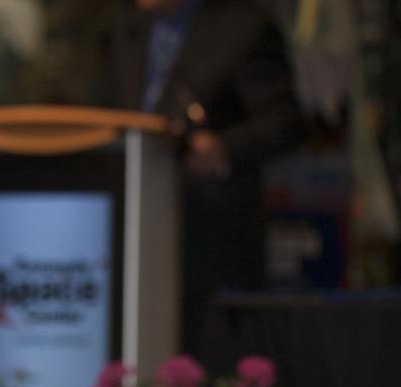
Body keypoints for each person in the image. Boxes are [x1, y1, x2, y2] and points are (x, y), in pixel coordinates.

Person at [107, 0, 304, 357]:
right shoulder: (128, 26)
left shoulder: (242, 25)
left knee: (206, 366)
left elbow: (286, 121)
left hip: (209, 238)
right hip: (133, 230)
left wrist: (223, 149)